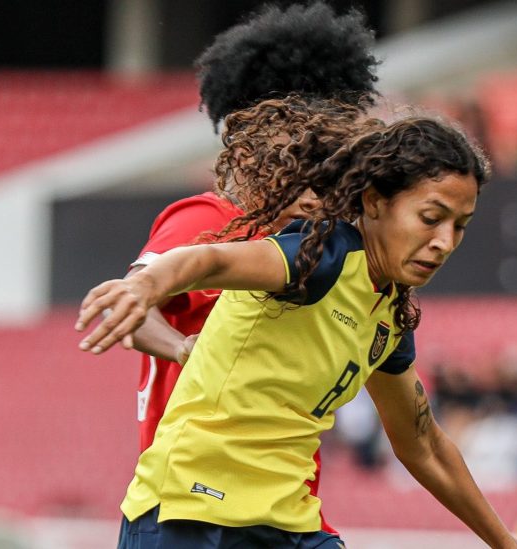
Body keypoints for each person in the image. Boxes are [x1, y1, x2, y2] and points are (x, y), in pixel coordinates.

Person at [77, 116, 517, 548]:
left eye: (459, 226)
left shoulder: (388, 316)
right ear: (374, 202)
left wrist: (506, 544)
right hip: (191, 513)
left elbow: (423, 443)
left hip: (289, 524)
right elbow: (210, 261)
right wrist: (143, 285)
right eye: (431, 217)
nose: (445, 240)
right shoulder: (319, 256)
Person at [127, 3, 382, 536]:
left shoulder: (329, 250)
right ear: (251, 146)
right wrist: (181, 348)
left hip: (284, 508)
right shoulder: (209, 220)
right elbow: (135, 304)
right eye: (294, 146)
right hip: (194, 507)